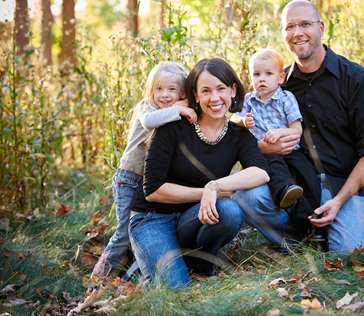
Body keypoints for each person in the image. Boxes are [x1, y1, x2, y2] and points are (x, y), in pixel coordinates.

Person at [233, 0, 364, 252]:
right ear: (283, 33)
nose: (297, 33)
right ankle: (302, 236)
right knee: (247, 198)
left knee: (355, 251)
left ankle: (332, 226)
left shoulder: (357, 80)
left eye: (305, 24)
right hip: (297, 184)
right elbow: (247, 137)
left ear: (321, 27)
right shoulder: (277, 85)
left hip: (346, 187)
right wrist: (264, 148)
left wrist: (338, 201)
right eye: (290, 27)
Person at [128, 58, 270, 287]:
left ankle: (200, 263)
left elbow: (261, 172)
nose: (215, 98)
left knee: (230, 211)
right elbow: (153, 190)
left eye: (221, 88)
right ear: (194, 95)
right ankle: (144, 263)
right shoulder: (172, 126)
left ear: (233, 90)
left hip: (193, 218)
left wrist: (214, 187)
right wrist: (204, 193)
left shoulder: (238, 135)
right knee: (176, 290)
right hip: (152, 218)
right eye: (206, 91)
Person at [92, 62, 197, 278]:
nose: (164, 95)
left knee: (137, 233)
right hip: (128, 179)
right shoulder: (147, 107)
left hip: (146, 183)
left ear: (183, 92)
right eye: (158, 89)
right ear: (151, 90)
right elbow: (149, 122)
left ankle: (129, 274)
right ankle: (98, 277)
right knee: (123, 232)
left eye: (171, 89)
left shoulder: (172, 110)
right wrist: (179, 107)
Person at [231, 48, 321, 222]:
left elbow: (297, 130)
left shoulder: (286, 98)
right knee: (273, 164)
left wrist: (279, 132)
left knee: (307, 174)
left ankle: (309, 219)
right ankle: (285, 191)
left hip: (291, 151)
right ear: (251, 79)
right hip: (265, 154)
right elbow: (234, 118)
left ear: (281, 78)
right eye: (256, 74)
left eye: (268, 73)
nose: (262, 78)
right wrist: (243, 122)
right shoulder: (249, 101)